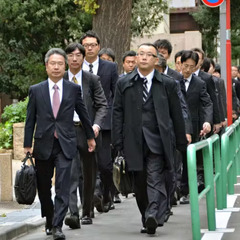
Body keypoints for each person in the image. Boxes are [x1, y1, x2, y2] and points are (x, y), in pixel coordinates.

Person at [112, 43, 187, 235]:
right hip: (133, 140)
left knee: (155, 177)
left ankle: (153, 212)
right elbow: (117, 113)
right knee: (139, 182)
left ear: (156, 60)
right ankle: (147, 216)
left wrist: (181, 141)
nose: (144, 57)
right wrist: (117, 141)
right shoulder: (124, 83)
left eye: (149, 55)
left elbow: (176, 114)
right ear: (136, 58)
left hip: (159, 140)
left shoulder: (167, 83)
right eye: (141, 54)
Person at [23, 48, 96, 240]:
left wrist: (90, 137)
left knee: (63, 185)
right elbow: (30, 119)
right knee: (44, 186)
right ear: (46, 66)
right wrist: (27, 144)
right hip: (43, 144)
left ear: (64, 67)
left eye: (60, 64)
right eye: (52, 64)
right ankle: (49, 217)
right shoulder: (36, 90)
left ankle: (57, 226)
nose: (56, 67)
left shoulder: (73, 89)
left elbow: (83, 113)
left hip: (66, 143)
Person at [63, 43, 107, 228]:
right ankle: (73, 212)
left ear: (83, 58)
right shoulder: (61, 78)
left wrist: (96, 125)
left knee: (88, 173)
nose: (74, 59)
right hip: (67, 131)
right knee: (71, 172)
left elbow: (102, 104)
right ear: (66, 58)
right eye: (71, 55)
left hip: (87, 131)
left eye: (78, 55)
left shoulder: (92, 79)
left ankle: (87, 211)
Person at [80, 30, 118, 212]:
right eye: (86, 45)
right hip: (82, 121)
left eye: (93, 45)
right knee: (87, 164)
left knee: (104, 164)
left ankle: (107, 193)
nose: (89, 48)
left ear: (99, 46)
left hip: (105, 122)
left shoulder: (110, 67)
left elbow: (115, 94)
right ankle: (92, 197)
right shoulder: (76, 68)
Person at [179, 50, 213, 204]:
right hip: (174, 126)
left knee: (187, 160)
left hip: (193, 128)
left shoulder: (199, 83)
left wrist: (207, 121)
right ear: (179, 63)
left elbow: (207, 103)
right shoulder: (172, 81)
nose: (188, 70)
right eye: (185, 66)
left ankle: (185, 190)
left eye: (191, 67)